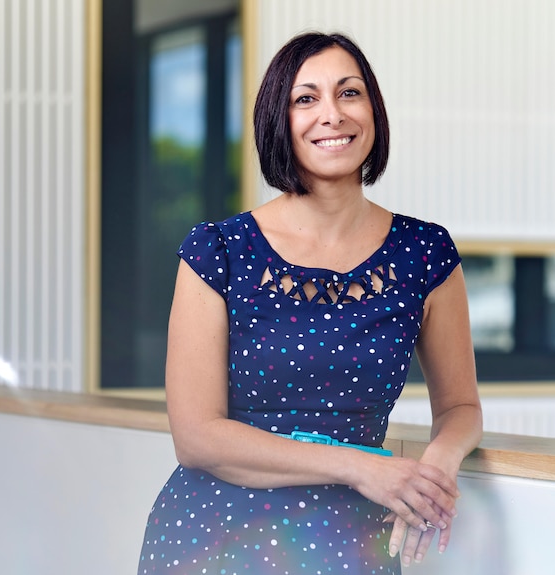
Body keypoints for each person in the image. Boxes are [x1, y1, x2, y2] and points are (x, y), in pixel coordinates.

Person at [137, 31, 482, 574]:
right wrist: (363, 468)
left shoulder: (425, 252)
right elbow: (197, 437)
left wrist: (438, 462)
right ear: (280, 119)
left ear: (374, 110)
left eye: (350, 93)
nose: (332, 114)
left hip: (355, 545)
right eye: (306, 98)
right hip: (214, 542)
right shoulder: (218, 250)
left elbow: (461, 408)